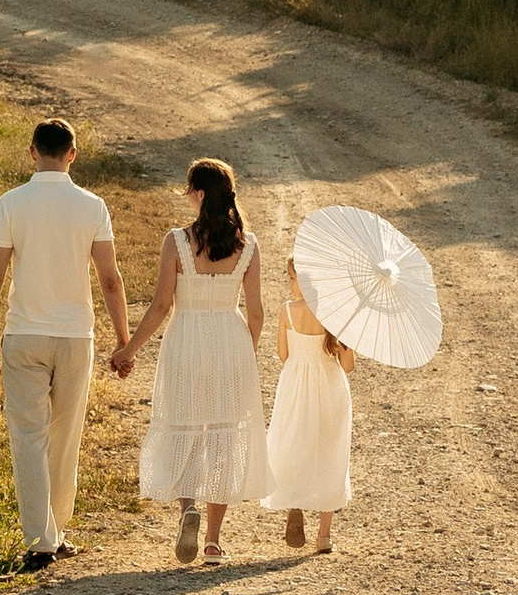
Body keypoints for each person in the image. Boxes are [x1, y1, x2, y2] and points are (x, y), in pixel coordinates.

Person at [0, 118, 129, 571]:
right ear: (72, 154)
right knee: (66, 436)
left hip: (24, 332)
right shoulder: (93, 206)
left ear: (32, 152)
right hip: (75, 335)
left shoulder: (11, 203)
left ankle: (41, 539)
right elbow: (110, 279)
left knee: (28, 436)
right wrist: (123, 338)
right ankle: (56, 531)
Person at [120, 155, 269, 563]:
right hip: (230, 340)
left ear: (200, 194)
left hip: (186, 338)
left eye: (189, 190)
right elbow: (256, 312)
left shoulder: (177, 241)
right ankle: (214, 541)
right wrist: (247, 354)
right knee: (224, 434)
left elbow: (160, 306)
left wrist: (129, 350)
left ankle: (188, 508)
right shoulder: (248, 245)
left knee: (185, 422)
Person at [261, 260, 354, 554]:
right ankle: (324, 535)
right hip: (330, 388)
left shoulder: (288, 311)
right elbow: (348, 366)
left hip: (296, 386)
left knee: (295, 443)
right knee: (329, 452)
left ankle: (295, 502)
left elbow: (283, 355)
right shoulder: (335, 315)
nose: (291, 284)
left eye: (293, 278)